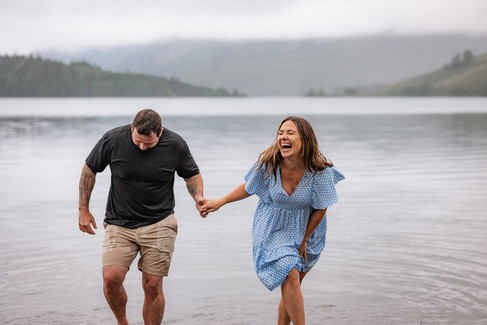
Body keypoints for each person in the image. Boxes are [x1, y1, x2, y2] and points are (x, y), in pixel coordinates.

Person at [200, 116, 344, 325]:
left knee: (291, 284)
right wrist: (221, 202)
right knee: (290, 276)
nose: (283, 137)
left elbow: (322, 207)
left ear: (305, 139)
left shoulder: (319, 171)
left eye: (290, 133)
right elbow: (249, 187)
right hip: (273, 227)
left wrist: (304, 239)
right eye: (280, 133)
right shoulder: (269, 164)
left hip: (308, 229)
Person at [78, 109, 204, 325]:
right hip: (119, 223)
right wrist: (83, 209)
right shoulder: (113, 139)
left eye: (149, 144)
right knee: (111, 279)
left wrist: (198, 198)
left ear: (160, 132)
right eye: (137, 142)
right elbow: (89, 170)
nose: (142, 147)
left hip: (160, 222)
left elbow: (192, 175)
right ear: (131, 128)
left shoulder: (175, 144)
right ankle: (122, 322)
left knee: (152, 285)